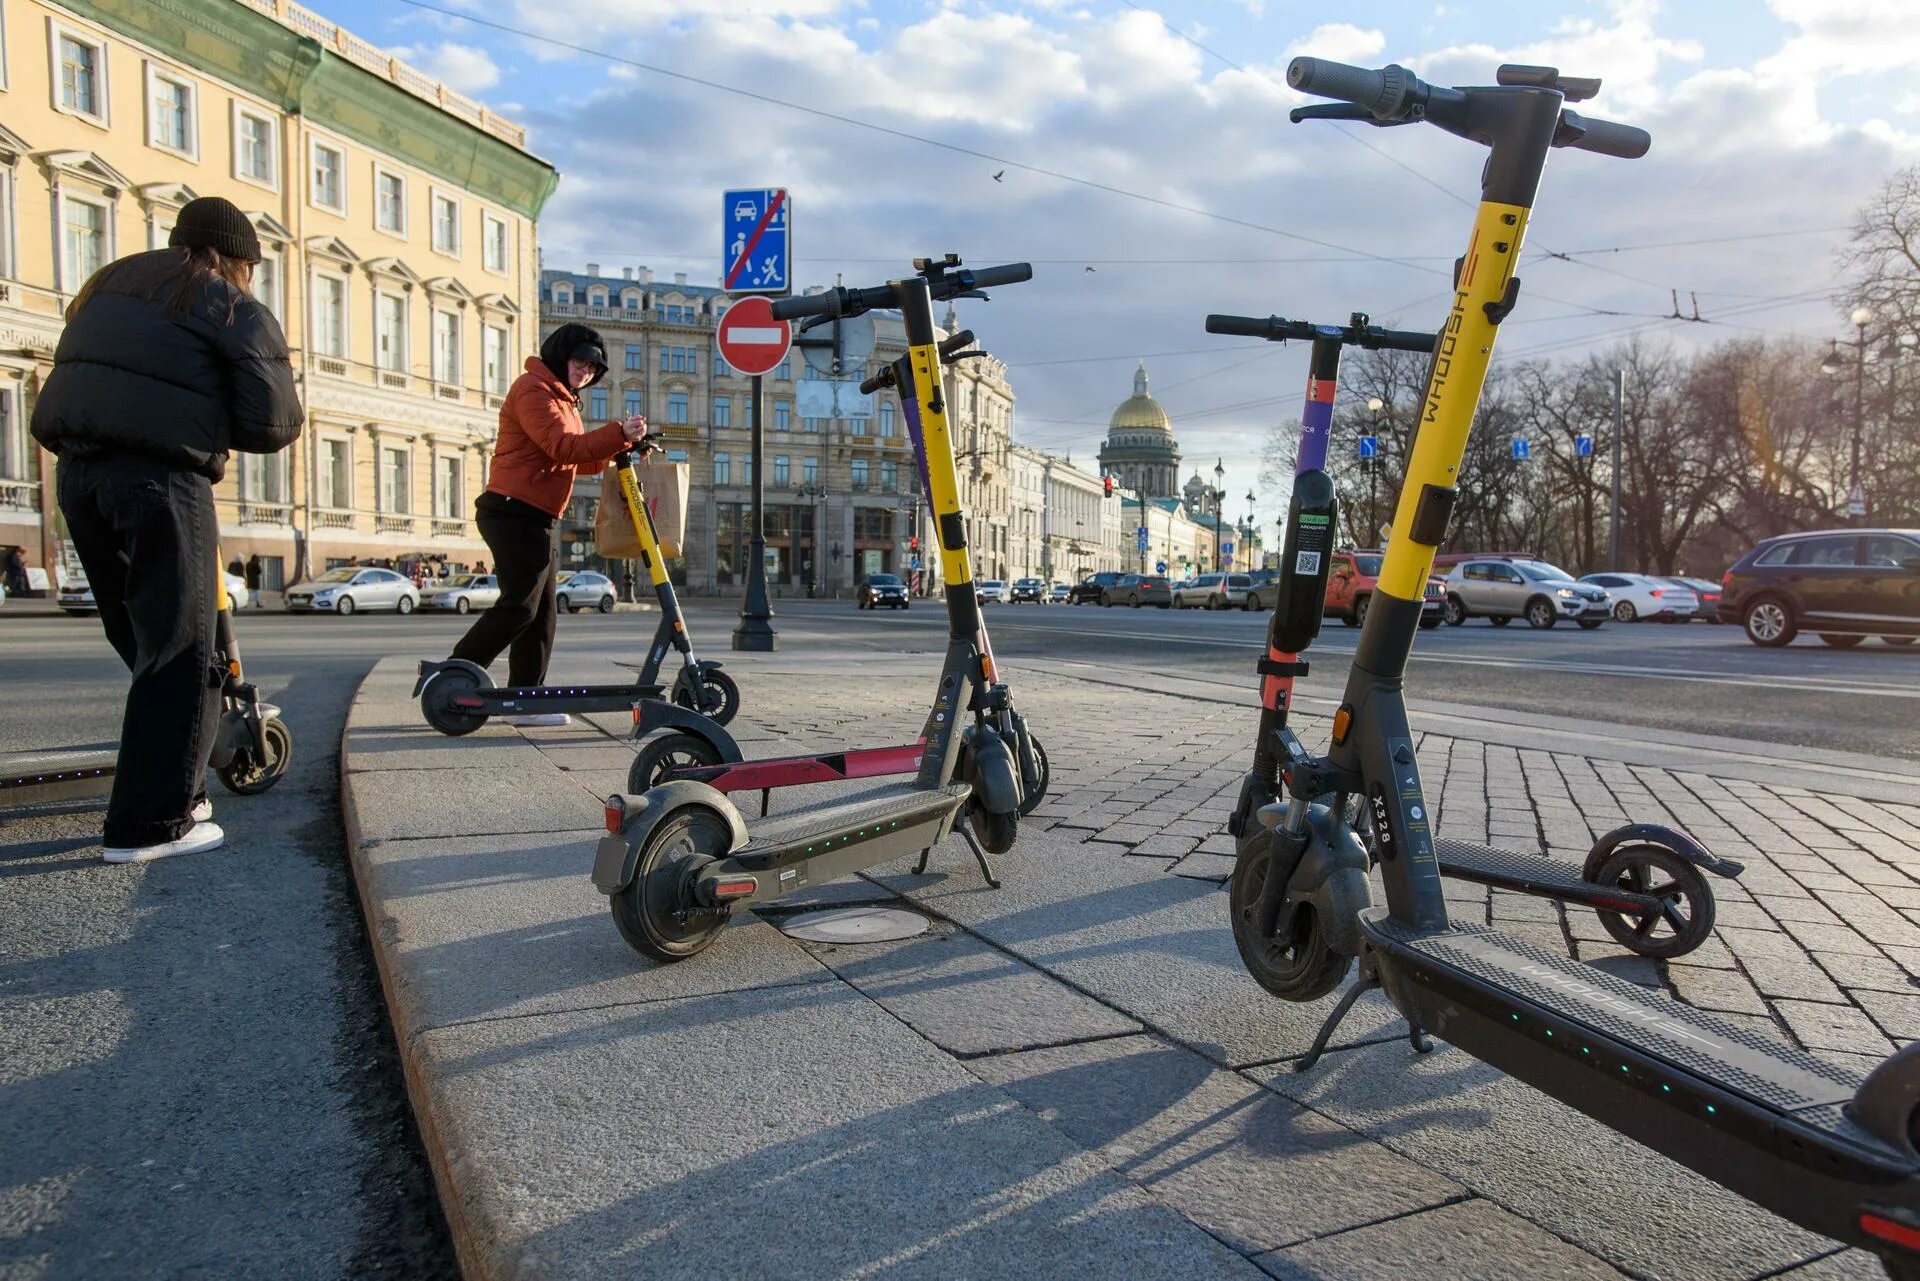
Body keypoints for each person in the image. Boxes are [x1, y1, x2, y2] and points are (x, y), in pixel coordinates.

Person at [30, 196, 302, 863]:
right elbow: (275, 421)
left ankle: (179, 783)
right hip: (160, 483)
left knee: (150, 645)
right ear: (236, 259)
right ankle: (152, 824)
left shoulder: (113, 283)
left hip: (79, 480)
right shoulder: (224, 302)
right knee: (185, 653)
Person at [446, 323, 646, 727]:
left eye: (592, 367)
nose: (585, 371)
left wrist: (623, 444)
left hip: (535, 514)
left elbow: (578, 460)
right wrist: (616, 433)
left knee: (541, 613)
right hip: (511, 509)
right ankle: (452, 676)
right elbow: (562, 447)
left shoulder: (564, 400)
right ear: (560, 356)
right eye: (579, 361)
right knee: (520, 605)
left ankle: (525, 698)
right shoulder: (533, 390)